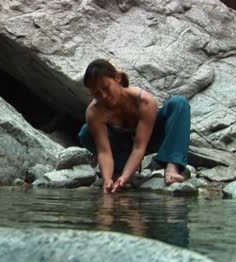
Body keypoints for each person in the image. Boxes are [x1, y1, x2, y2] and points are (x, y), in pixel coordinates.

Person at [78, 59, 191, 193]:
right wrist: (107, 179)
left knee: (179, 103)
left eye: (106, 88)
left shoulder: (144, 101)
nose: (103, 96)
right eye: (96, 93)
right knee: (85, 132)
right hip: (122, 148)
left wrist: (126, 176)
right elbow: (104, 152)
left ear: (117, 78)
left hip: (148, 140)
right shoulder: (94, 112)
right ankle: (116, 171)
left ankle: (172, 165)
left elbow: (139, 147)